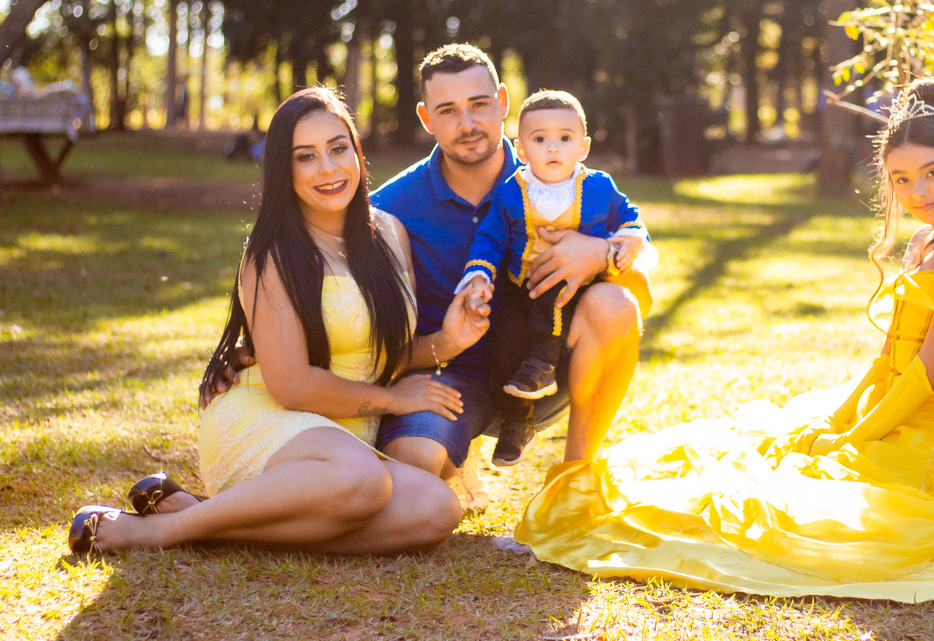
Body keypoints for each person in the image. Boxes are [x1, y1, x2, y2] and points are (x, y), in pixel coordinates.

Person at [514, 77, 934, 604]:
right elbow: (893, 356)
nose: (918, 190)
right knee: (780, 458)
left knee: (830, 514)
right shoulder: (929, 236)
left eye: (932, 172)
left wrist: (863, 436)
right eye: (902, 180)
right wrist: (847, 416)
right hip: (903, 395)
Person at [206, 44, 652, 509]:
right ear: (425, 118)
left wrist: (601, 253)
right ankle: (456, 447)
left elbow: (640, 289)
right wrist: (253, 350)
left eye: (479, 105)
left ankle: (574, 481)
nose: (468, 123)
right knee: (412, 467)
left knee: (615, 305)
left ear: (502, 102)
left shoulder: (557, 175)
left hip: (543, 364)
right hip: (447, 376)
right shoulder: (387, 212)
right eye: (448, 110)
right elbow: (324, 291)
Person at [68, 87, 484, 555]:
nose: (328, 169)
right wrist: (391, 397)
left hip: (344, 438)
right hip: (268, 421)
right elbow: (290, 386)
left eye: (337, 149)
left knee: (436, 508)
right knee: (362, 478)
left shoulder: (389, 232)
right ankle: (156, 532)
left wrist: (446, 342)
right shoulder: (271, 256)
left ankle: (203, 518)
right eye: (305, 157)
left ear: (357, 153)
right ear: (283, 171)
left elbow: (380, 351)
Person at [457, 90, 650, 467]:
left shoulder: (598, 186)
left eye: (565, 138)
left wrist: (629, 235)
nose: (553, 148)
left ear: (583, 146)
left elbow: (628, 214)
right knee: (505, 346)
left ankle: (544, 369)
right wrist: (478, 274)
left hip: (579, 293)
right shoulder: (512, 191)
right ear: (521, 149)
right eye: (539, 139)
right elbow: (491, 238)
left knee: (556, 308)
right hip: (521, 289)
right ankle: (518, 421)